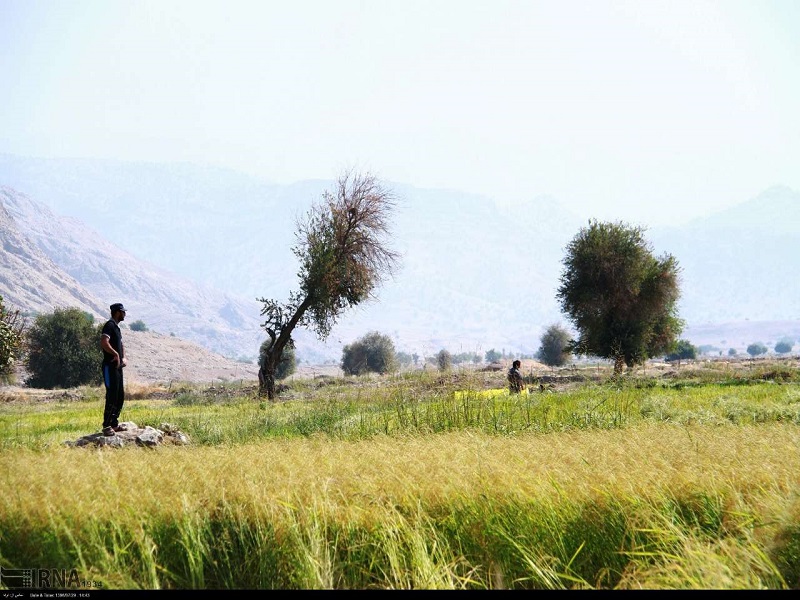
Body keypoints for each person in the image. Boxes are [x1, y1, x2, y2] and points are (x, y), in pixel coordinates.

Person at [100, 303, 127, 436]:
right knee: (111, 395)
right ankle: (106, 426)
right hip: (109, 366)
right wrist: (115, 354)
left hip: (118, 367)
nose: (124, 314)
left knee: (120, 395)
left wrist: (123, 357)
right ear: (117, 312)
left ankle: (114, 423)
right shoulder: (109, 325)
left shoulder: (117, 328)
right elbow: (104, 342)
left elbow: (121, 344)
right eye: (123, 312)